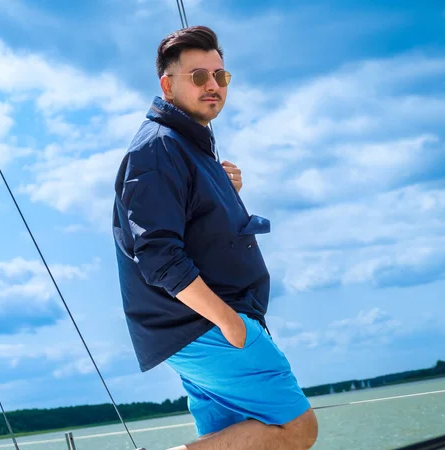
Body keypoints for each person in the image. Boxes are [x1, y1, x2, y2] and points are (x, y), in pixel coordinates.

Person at [112, 25, 318, 450]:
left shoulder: (184, 148)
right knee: (298, 429)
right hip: (207, 326)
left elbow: (193, 229)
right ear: (168, 86)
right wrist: (229, 323)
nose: (213, 86)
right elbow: (157, 254)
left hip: (201, 328)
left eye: (220, 76)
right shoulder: (158, 148)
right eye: (198, 76)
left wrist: (223, 194)